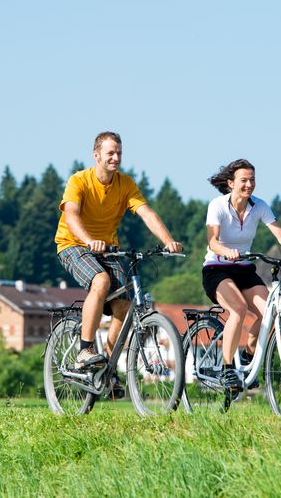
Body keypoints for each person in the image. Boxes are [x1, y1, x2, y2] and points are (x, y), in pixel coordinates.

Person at [55, 131, 183, 398]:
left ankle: (108, 371)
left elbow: (146, 213)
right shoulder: (79, 180)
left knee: (124, 306)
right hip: (73, 245)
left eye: (119, 153)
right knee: (100, 281)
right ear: (97, 155)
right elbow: (71, 215)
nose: (116, 157)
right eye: (110, 153)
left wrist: (169, 240)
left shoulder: (125, 184)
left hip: (108, 250)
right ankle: (85, 349)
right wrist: (90, 240)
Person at [202, 158, 281, 394]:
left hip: (244, 269)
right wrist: (227, 251)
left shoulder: (260, 206)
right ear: (231, 183)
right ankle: (227, 370)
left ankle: (248, 356)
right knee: (238, 309)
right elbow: (212, 241)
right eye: (244, 180)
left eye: (252, 179)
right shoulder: (218, 205)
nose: (249, 184)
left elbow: (280, 235)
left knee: (271, 311)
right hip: (217, 268)